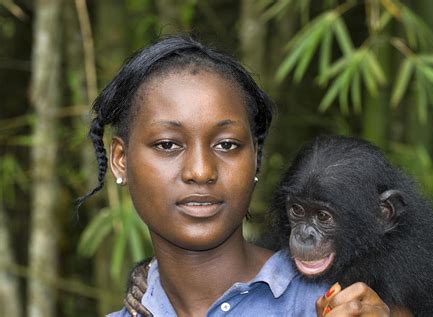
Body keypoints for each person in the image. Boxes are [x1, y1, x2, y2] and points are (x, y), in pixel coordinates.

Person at [78, 35, 390, 317]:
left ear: (256, 157)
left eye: (227, 144)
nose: (201, 171)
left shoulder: (337, 303)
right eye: (168, 144)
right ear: (120, 160)